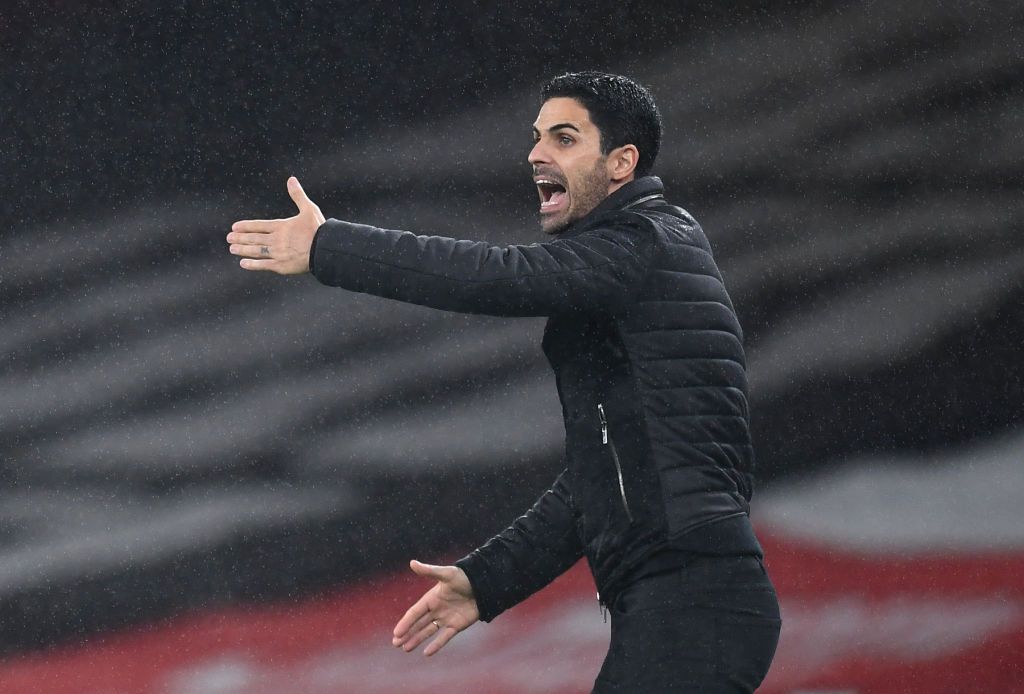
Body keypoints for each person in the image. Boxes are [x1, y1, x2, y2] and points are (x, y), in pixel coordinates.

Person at [226, 71, 780, 692]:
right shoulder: (634, 269)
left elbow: (497, 275)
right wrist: (491, 578)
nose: (537, 153)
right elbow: (598, 478)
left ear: (622, 162)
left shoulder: (645, 241)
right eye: (537, 136)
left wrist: (330, 246)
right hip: (683, 602)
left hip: (695, 602)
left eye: (564, 138)